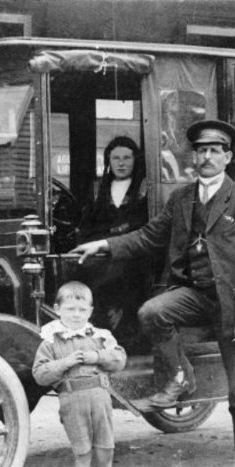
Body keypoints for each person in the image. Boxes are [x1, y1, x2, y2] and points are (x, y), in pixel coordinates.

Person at [71, 120, 235, 467]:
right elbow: (148, 237)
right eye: (201, 151)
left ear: (228, 157)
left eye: (215, 151)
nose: (207, 157)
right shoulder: (182, 198)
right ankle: (181, 377)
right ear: (193, 158)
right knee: (153, 312)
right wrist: (103, 245)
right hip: (197, 296)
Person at [32, 281, 132, 467]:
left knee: (105, 450)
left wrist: (96, 356)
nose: (76, 315)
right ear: (57, 309)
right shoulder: (51, 341)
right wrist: (64, 363)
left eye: (81, 310)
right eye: (70, 309)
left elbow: (120, 359)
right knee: (82, 452)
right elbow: (39, 374)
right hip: (73, 402)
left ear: (90, 311)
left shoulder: (99, 337)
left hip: (100, 400)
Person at [77, 136, 149, 351]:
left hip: (134, 255)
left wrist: (115, 236)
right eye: (116, 158)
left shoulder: (145, 188)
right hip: (101, 255)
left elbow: (143, 225)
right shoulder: (97, 189)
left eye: (127, 158)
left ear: (135, 160)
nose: (121, 163)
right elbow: (87, 227)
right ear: (108, 161)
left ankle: (127, 334)